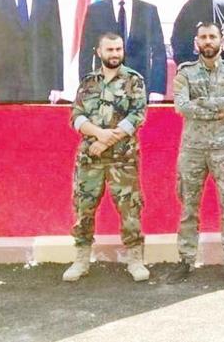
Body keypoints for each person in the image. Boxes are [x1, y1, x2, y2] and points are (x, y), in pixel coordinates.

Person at [63, 32, 150, 282]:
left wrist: (105, 141)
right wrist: (99, 135)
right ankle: (81, 260)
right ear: (98, 52)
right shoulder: (88, 83)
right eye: (109, 50)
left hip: (123, 160)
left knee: (130, 210)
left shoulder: (134, 80)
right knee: (83, 209)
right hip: (90, 160)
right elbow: (76, 117)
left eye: (118, 49)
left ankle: (135, 260)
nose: (114, 54)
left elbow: (137, 116)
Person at [167, 22, 224, 284]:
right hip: (192, 149)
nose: (208, 41)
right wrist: (217, 108)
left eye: (213, 37)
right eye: (203, 37)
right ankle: (185, 261)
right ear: (196, 42)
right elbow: (181, 107)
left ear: (221, 41)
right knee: (188, 207)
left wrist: (202, 102)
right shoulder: (185, 72)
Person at [78, 0, 167, 101]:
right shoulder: (95, 11)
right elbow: (85, 53)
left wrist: (157, 89)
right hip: (103, 90)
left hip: (139, 89)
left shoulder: (149, 11)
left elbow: (159, 53)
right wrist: (87, 87)